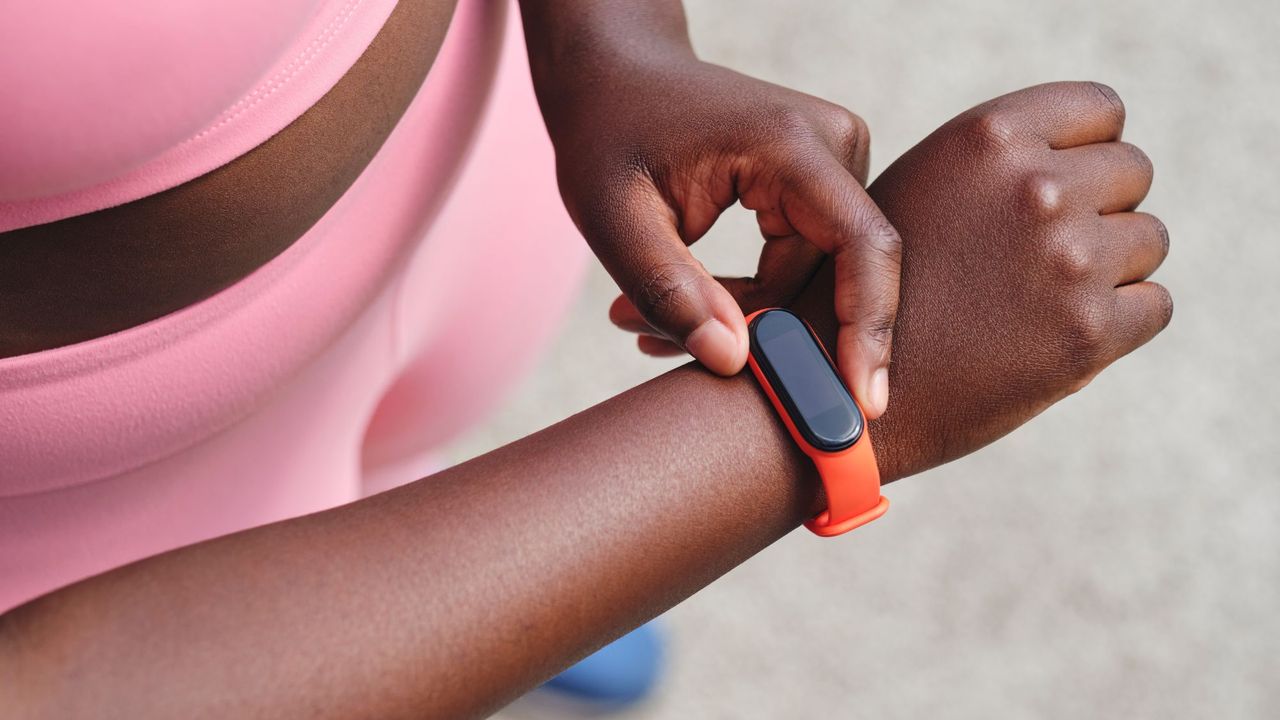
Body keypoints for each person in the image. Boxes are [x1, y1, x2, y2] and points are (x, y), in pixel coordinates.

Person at [0, 0, 1171, 717]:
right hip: (101, 526)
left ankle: (491, 561)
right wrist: (805, 423)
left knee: (414, 459)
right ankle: (502, 605)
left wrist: (615, 35)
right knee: (360, 614)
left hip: (489, 168)